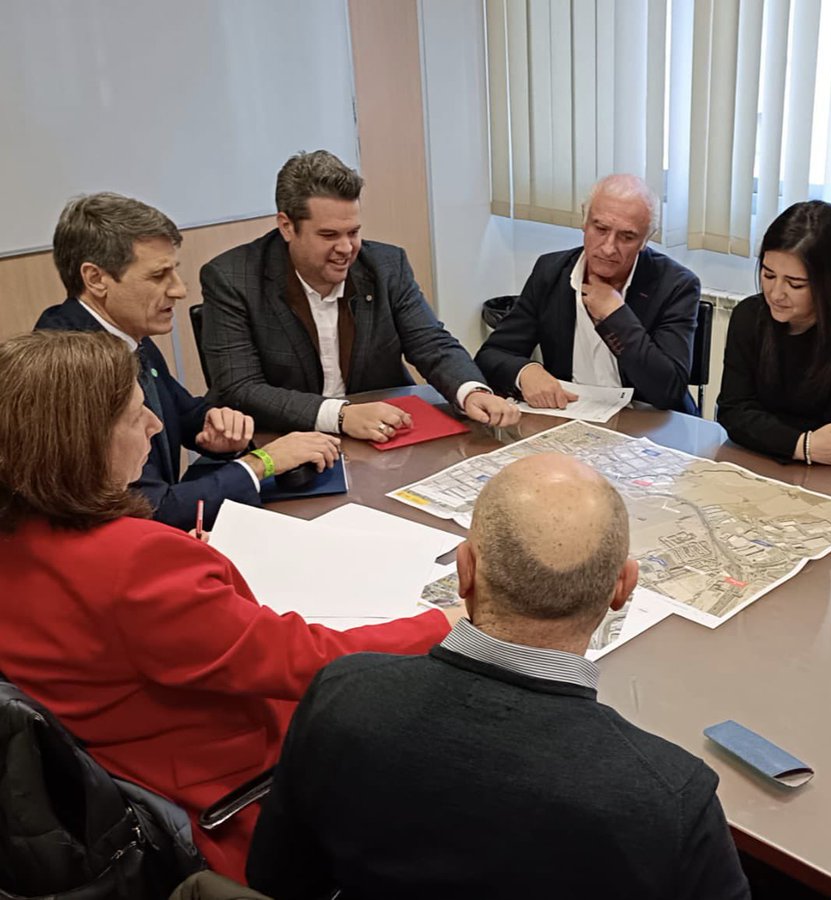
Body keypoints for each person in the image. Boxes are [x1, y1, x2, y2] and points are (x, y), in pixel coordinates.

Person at [0, 330, 456, 880]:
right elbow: (302, 660)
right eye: (135, 415)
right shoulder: (133, 563)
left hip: (118, 781)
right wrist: (441, 624)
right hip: (228, 804)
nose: (157, 425)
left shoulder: (26, 538)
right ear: (79, 440)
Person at [246, 453, 750, 899]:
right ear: (623, 587)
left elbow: (276, 878)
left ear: (464, 571)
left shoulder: (343, 694)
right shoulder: (669, 796)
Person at [36, 193, 338, 531]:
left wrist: (219, 426)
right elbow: (150, 509)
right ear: (96, 279)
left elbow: (184, 412)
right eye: (158, 276)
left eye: (174, 272)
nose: (179, 290)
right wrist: (263, 462)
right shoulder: (76, 369)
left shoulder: (124, 332)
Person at [199, 150, 518, 436]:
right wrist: (341, 416)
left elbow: (431, 343)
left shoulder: (386, 266)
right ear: (286, 226)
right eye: (328, 235)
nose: (346, 248)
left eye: (353, 233)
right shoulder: (232, 279)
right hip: (286, 437)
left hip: (386, 432)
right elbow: (239, 387)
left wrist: (472, 392)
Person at [475, 174, 701, 413]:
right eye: (601, 229)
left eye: (627, 236)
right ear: (584, 221)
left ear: (646, 239)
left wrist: (616, 316)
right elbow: (492, 355)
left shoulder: (676, 285)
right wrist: (525, 372)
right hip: (571, 413)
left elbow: (668, 391)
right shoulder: (551, 272)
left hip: (647, 422)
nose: (608, 247)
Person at [716, 201, 831, 469]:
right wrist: (802, 444)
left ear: (830, 283)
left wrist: (765, 429)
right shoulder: (750, 316)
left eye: (795, 284)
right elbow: (732, 411)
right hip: (775, 465)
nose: (775, 293)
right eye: (768, 275)